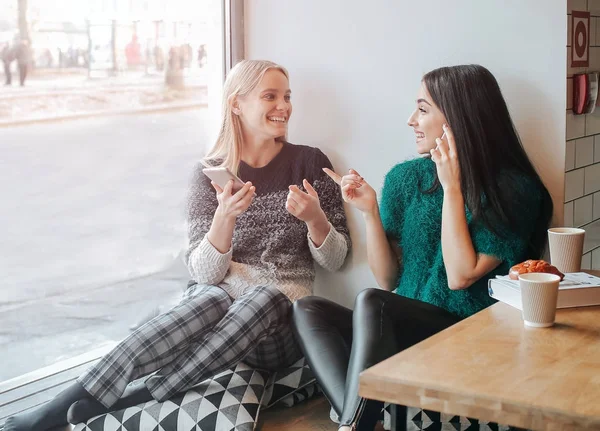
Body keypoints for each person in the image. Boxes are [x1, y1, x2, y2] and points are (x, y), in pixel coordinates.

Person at [4, 59, 351, 431]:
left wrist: (315, 219)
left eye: (287, 96)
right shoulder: (209, 174)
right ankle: (56, 408)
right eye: (270, 96)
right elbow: (204, 273)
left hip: (277, 329)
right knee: (210, 296)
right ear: (237, 104)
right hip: (218, 316)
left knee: (263, 296)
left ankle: (147, 391)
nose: (284, 106)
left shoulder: (309, 162)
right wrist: (224, 217)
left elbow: (336, 259)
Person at [292, 64, 553, 431]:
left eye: (423, 109)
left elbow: (461, 276)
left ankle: (354, 423)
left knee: (370, 302)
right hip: (403, 328)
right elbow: (387, 279)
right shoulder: (406, 178)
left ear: (458, 118)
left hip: (468, 334)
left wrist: (453, 188)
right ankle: (359, 423)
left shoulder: (511, 188)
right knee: (308, 309)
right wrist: (369, 212)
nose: (411, 120)